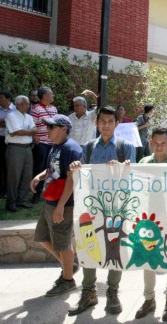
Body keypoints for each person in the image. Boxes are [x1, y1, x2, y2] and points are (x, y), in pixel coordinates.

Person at [68, 106, 136, 316]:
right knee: (89, 246)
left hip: (117, 208)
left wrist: (124, 169)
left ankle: (112, 293)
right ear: (96, 124)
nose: (106, 125)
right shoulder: (88, 148)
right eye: (102, 121)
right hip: (91, 206)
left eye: (110, 121)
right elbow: (79, 179)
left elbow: (136, 179)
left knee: (115, 250)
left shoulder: (127, 147)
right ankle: (88, 292)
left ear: (117, 124)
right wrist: (75, 168)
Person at [135, 128, 167, 322]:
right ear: (150, 142)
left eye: (163, 143)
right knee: (147, 260)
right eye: (155, 143)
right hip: (148, 220)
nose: (159, 146)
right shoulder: (143, 163)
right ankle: (149, 300)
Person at [30, 115, 82, 296]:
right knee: (42, 237)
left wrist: (60, 207)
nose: (48, 129)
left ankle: (68, 279)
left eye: (52, 126)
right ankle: (70, 265)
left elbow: (71, 179)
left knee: (62, 242)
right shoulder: (56, 147)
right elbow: (53, 169)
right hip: (50, 201)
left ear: (63, 129)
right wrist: (40, 176)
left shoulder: (71, 148)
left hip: (63, 204)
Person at [5, 95, 37, 211]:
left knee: (27, 175)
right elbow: (17, 132)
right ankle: (11, 202)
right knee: (14, 176)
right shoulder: (11, 116)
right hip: (15, 148)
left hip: (27, 147)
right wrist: (28, 131)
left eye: (28, 104)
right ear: (19, 104)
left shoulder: (28, 117)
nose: (28, 106)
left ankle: (22, 200)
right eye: (26, 104)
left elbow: (35, 130)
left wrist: (24, 131)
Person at [30, 86, 58, 203]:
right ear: (45, 96)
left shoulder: (54, 109)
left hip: (52, 143)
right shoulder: (36, 109)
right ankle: (36, 193)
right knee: (40, 167)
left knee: (52, 167)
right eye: (51, 94)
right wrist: (35, 137)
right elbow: (32, 125)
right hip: (41, 143)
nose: (52, 96)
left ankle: (49, 192)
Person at [0, 90, 15, 198]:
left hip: (9, 140)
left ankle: (7, 189)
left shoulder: (15, 110)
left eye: (2, 98)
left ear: (8, 99)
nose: (0, 100)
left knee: (7, 166)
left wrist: (5, 122)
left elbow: (13, 125)